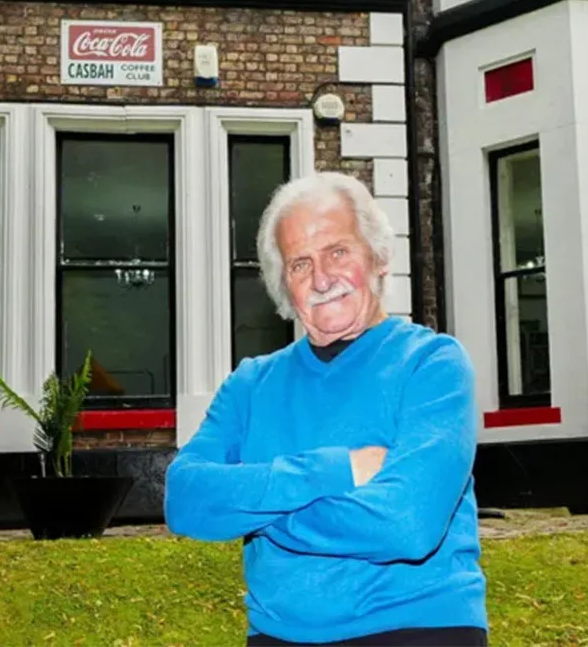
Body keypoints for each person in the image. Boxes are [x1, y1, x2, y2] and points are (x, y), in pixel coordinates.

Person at [164, 171, 488, 646]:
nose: (321, 278)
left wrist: (254, 508)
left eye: (338, 252)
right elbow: (185, 497)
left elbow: (407, 524)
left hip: (415, 627)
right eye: (299, 264)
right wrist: (338, 469)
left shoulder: (431, 364)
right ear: (284, 285)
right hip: (278, 635)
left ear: (377, 257)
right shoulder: (252, 383)